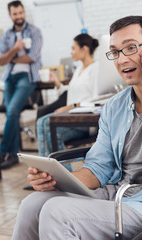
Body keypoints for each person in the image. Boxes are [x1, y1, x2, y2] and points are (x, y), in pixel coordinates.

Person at [12, 15, 142, 239]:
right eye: (115, 52)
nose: (121, 60)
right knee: (33, 203)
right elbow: (99, 167)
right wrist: (56, 181)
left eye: (130, 48)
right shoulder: (114, 106)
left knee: (58, 213)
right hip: (119, 194)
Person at [36, 33, 99, 162]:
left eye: (73, 48)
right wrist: (56, 82)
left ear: (84, 49)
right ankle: (50, 172)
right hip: (70, 118)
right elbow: (71, 92)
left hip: (85, 121)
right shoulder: (79, 69)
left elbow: (98, 99)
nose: (71, 52)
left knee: (46, 127)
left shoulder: (96, 69)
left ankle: (60, 173)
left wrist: (71, 106)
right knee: (44, 127)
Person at [0, 0, 43, 169]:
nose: (19, 16)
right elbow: (1, 60)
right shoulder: (7, 35)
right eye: (15, 14)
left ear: (24, 13)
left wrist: (11, 58)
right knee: (11, 114)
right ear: (10, 15)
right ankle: (12, 155)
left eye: (21, 13)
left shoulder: (34, 31)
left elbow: (32, 57)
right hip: (10, 77)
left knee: (13, 110)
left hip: (27, 77)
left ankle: (2, 153)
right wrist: (15, 49)